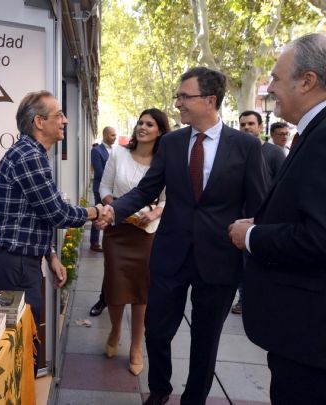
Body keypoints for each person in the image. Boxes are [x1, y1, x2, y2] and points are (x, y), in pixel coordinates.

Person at [97, 67, 266, 405]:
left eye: (184, 97)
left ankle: (195, 398)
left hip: (219, 260)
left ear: (209, 100)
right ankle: (159, 389)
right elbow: (147, 189)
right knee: (157, 330)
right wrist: (114, 211)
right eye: (178, 97)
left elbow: (258, 204)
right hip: (170, 254)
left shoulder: (245, 146)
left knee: (206, 339)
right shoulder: (172, 143)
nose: (177, 104)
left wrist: (253, 249)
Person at [229, 33, 326, 405]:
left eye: (276, 78)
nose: (269, 87)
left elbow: (318, 238)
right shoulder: (312, 133)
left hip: (309, 337)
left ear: (307, 81)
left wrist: (253, 235)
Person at [0, 90, 112, 374]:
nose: (65, 120)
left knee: (22, 345)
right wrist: (96, 211)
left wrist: (51, 255)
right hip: (15, 267)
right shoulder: (29, 156)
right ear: (39, 122)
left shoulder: (33, 154)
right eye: (59, 115)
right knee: (18, 352)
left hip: (19, 263)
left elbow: (31, 217)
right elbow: (56, 213)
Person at [99, 108, 169, 376]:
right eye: (140, 122)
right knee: (115, 287)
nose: (142, 127)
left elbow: (167, 198)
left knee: (142, 292)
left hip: (146, 233)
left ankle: (137, 346)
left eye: (149, 124)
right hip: (118, 230)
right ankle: (116, 331)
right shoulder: (118, 153)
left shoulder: (164, 161)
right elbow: (104, 188)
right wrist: (114, 206)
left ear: (160, 131)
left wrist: (154, 212)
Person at [232, 110, 286, 314]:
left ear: (260, 127)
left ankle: (253, 300)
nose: (246, 128)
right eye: (243, 124)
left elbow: (282, 185)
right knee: (239, 263)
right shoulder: (236, 150)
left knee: (255, 262)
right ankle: (243, 298)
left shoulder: (274, 153)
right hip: (236, 217)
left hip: (262, 220)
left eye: (251, 124)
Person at [89, 126, 117, 317]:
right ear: (105, 134)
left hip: (114, 192)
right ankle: (94, 241)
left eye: (116, 135)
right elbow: (100, 172)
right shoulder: (96, 150)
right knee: (97, 215)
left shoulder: (116, 151)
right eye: (112, 135)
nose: (115, 137)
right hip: (101, 189)